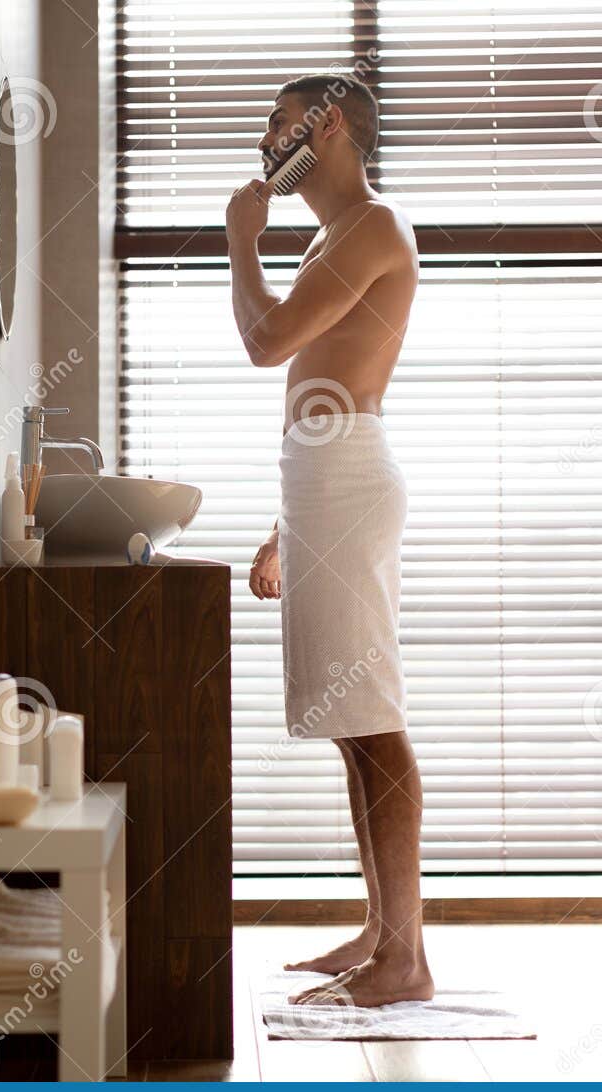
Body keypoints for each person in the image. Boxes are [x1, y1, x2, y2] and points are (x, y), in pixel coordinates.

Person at [226, 72, 432, 1008]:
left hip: (346, 481)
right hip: (320, 485)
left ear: (327, 125)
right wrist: (284, 526)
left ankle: (408, 960)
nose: (266, 140)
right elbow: (316, 378)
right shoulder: (333, 235)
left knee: (373, 721)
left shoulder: (376, 226)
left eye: (278, 123)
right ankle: (381, 934)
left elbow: (270, 344)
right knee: (352, 733)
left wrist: (239, 243)